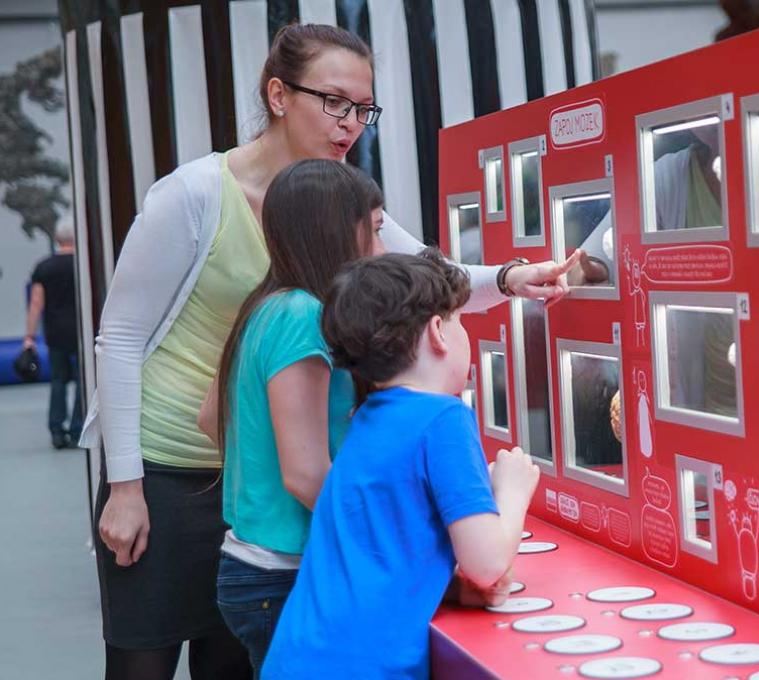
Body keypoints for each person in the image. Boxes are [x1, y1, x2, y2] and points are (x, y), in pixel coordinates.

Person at [79, 23, 578, 680]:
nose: (351, 124)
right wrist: (125, 488)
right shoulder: (196, 196)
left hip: (252, 484)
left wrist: (512, 278)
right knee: (143, 660)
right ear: (280, 94)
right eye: (334, 102)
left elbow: (425, 270)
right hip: (166, 471)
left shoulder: (334, 206)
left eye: (364, 109)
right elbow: (118, 340)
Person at [262, 250, 541, 679]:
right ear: (437, 333)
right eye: (460, 320)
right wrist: (513, 490)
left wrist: (448, 589)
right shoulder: (442, 419)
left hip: (301, 658)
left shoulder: (369, 417)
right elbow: (486, 563)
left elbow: (379, 546)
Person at [193, 159, 383, 677]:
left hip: (256, 565)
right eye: (377, 229)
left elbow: (211, 418)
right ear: (340, 230)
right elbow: (304, 475)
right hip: (286, 571)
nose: (381, 250)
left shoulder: (265, 305)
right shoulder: (303, 316)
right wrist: (382, 535)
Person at [25, 217, 80, 449]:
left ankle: (57, 430)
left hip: (55, 333)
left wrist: (29, 337)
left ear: (57, 239)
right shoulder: (83, 265)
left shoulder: (43, 267)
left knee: (58, 380)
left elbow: (36, 304)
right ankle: (78, 430)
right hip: (81, 333)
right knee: (82, 382)